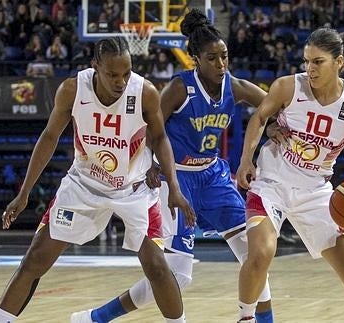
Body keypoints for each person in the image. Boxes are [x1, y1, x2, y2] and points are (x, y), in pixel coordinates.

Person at [71, 9, 274, 323]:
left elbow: (272, 104)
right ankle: (96, 317)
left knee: (256, 258)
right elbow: (151, 126)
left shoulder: (235, 86)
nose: (220, 64)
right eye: (212, 58)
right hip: (176, 178)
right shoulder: (180, 88)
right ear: (195, 58)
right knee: (177, 277)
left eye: (224, 57)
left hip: (213, 177)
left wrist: (272, 125)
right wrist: (151, 162)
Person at [0, 37, 196, 323]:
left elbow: (160, 137)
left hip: (133, 189)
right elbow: (49, 137)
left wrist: (173, 186)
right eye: (113, 74)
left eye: (126, 73)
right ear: (95, 66)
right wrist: (24, 192)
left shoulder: (145, 92)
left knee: (158, 267)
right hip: (84, 185)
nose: (121, 81)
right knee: (36, 257)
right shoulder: (72, 90)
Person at [236, 27, 344, 323]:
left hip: (317, 191)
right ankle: (245, 317)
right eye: (306, 61)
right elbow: (259, 117)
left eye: (318, 61)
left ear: (339, 62)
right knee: (261, 255)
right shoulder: (288, 87)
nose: (309, 68)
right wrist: (246, 160)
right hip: (271, 183)